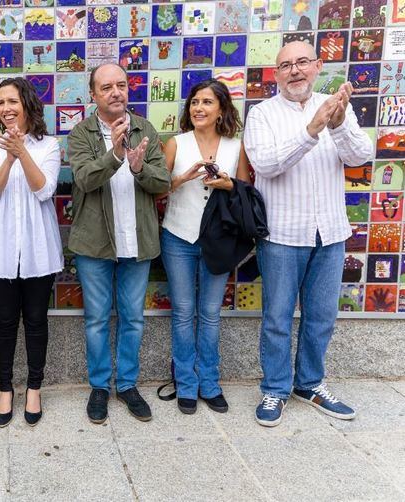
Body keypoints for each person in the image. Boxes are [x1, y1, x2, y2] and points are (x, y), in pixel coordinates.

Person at [243, 41, 373, 427]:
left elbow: (360, 156)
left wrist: (336, 125)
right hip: (282, 234)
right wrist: (312, 128)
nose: (295, 70)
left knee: (321, 317)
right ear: (276, 73)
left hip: (330, 233)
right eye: (286, 65)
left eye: (302, 62)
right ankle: (275, 389)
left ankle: (311, 384)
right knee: (278, 318)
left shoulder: (335, 108)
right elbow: (266, 164)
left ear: (318, 65)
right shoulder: (262, 114)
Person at [68, 63, 170, 424]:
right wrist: (114, 154)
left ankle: (126, 385)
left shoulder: (145, 129)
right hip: (95, 243)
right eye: (107, 87)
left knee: (133, 319)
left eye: (122, 85)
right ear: (93, 94)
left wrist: (140, 168)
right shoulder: (81, 133)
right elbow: (83, 179)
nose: (116, 92)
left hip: (138, 242)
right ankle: (99, 386)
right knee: (96, 319)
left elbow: (162, 183)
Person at [0, 77, 63, 427]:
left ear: (27, 104)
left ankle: (35, 387)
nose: (6, 109)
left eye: (12, 101)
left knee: (37, 321)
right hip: (0, 248)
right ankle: (5, 388)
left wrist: (22, 151)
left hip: (38, 246)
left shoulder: (49, 145)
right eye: (0, 103)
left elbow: (45, 189)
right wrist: (8, 159)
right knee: (5, 322)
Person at [160, 79, 251, 415]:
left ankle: (210, 383)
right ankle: (186, 384)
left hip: (219, 240)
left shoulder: (235, 146)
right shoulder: (176, 143)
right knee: (183, 313)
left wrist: (227, 183)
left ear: (221, 109)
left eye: (207, 102)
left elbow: (245, 190)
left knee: (210, 314)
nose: (199, 108)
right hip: (178, 238)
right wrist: (183, 178)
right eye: (195, 102)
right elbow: (157, 190)